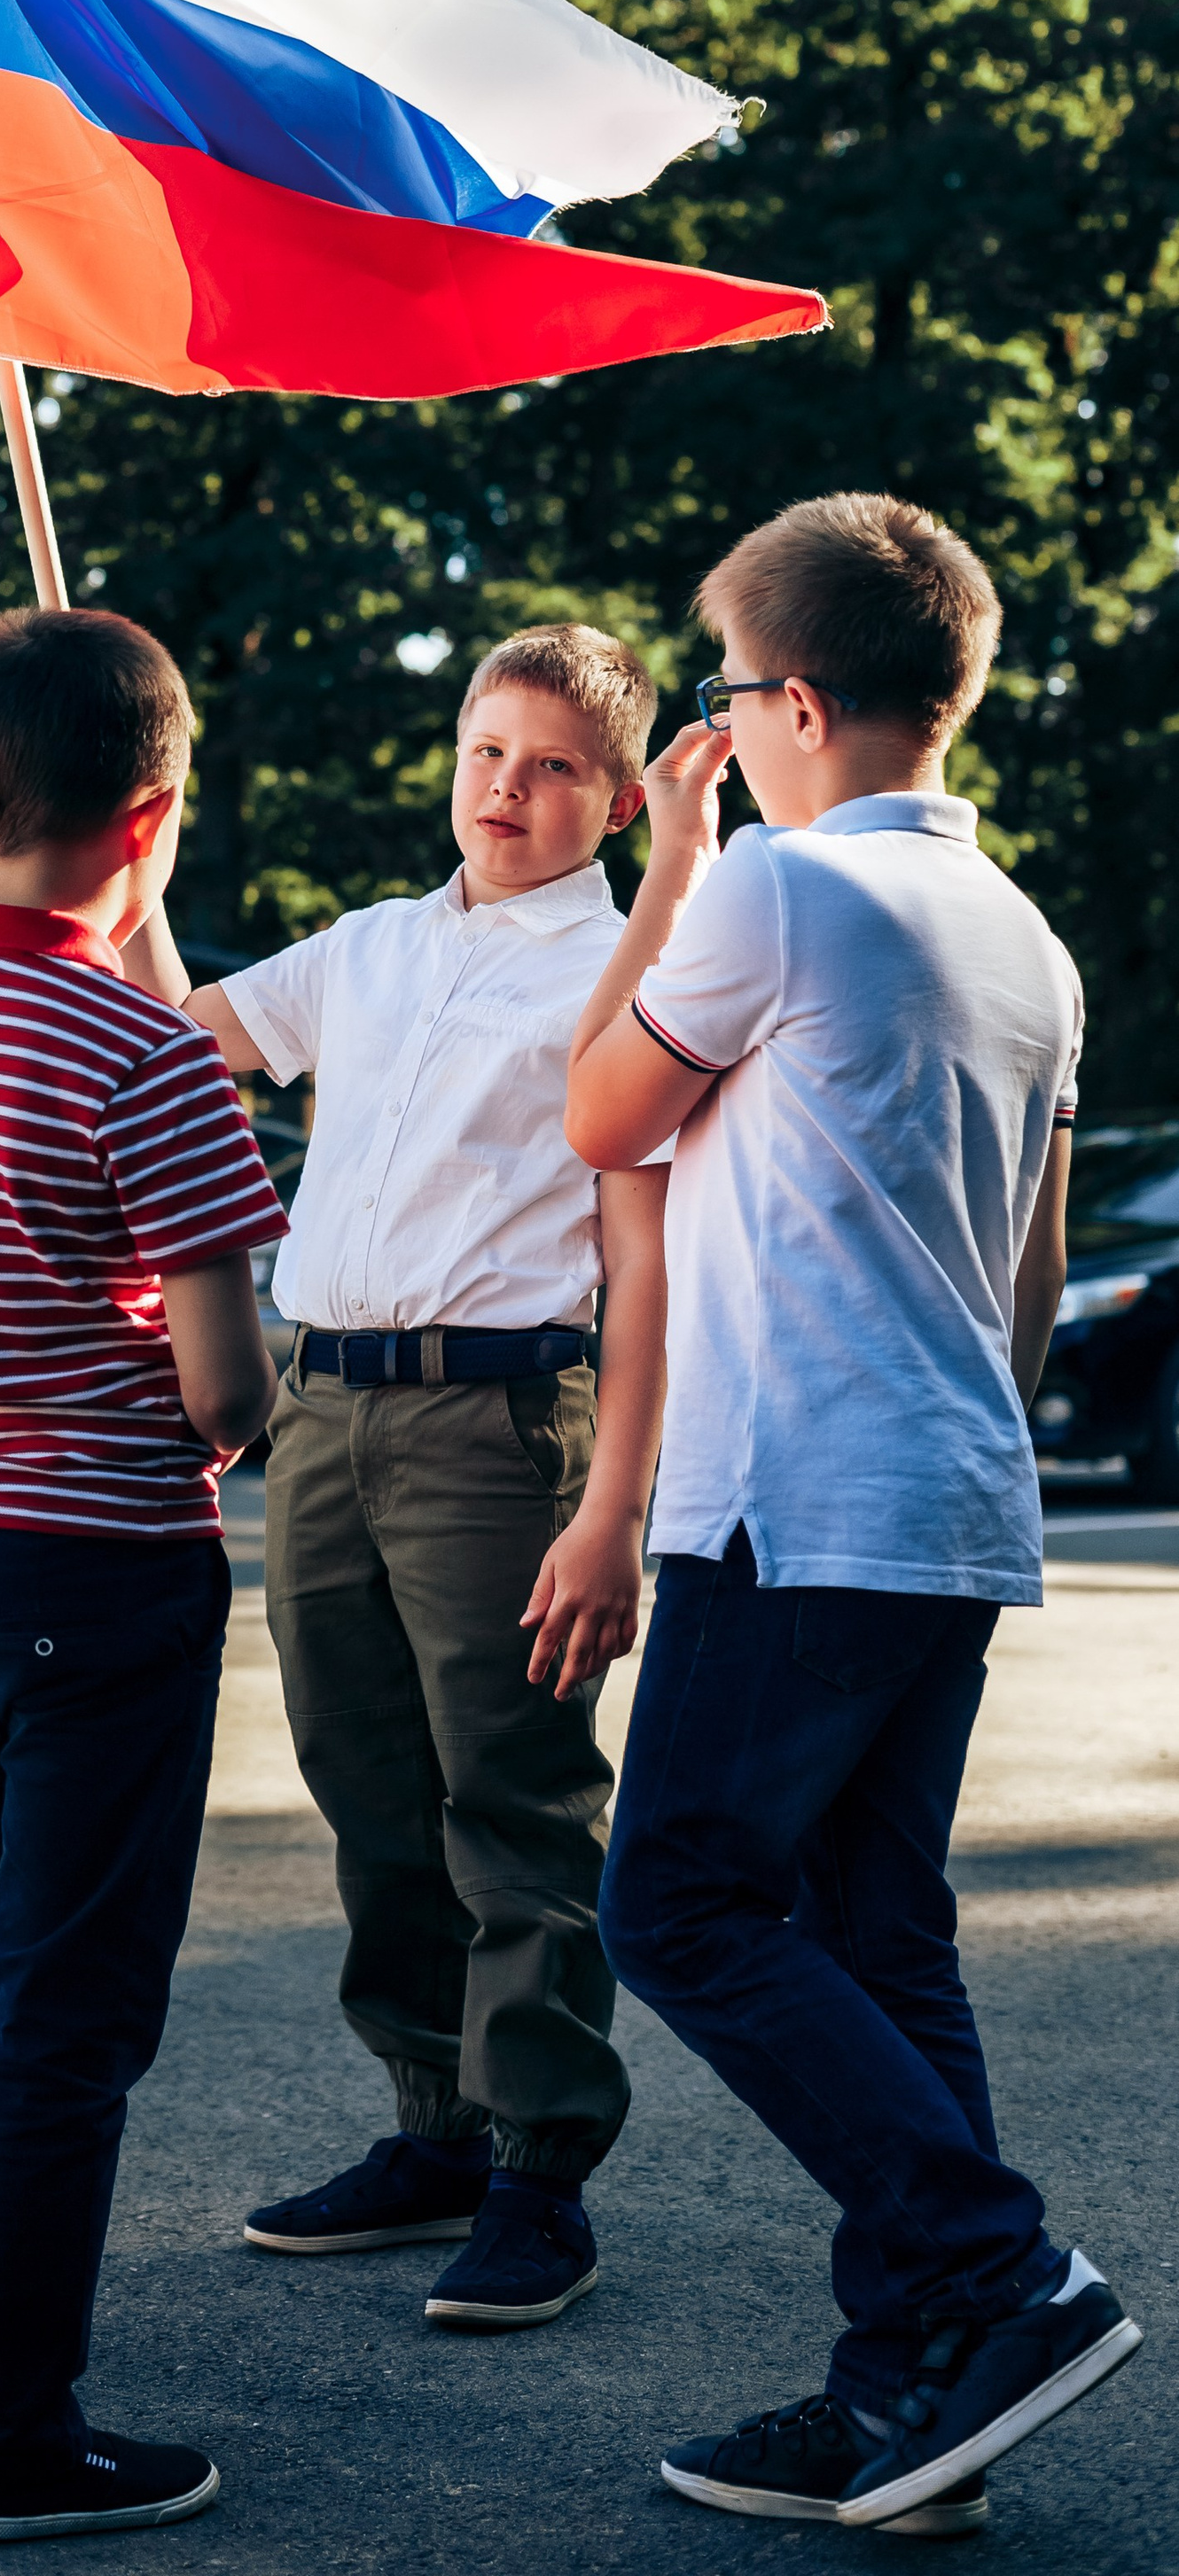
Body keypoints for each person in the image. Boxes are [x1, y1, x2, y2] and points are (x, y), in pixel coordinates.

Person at [566, 493, 1141, 2537]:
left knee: (678, 1906)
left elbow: (595, 1116)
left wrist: (671, 871)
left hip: (789, 1493)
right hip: (946, 1488)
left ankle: (993, 2277)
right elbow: (1032, 1271)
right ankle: (921, 2392)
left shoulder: (773, 899)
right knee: (880, 1945)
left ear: (789, 705)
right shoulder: (1030, 944)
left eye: (722, 692)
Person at [126, 625, 672, 2331]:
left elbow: (644, 1259)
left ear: (623, 797)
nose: (509, 786)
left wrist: (613, 1506)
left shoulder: (621, 972)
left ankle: (541, 2168)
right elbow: (175, 1038)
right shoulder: (363, 951)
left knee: (508, 1792)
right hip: (325, 1412)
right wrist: (137, 879)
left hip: (497, 1417)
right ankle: (432, 2126)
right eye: (487, 748)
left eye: (556, 763)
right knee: (366, 1781)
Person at [0, 606, 286, 2545]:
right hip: (105, 1569)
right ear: (153, 819)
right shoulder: (144, 1055)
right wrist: (196, 1399)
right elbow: (224, 1382)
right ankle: (12, 2441)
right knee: (72, 2017)